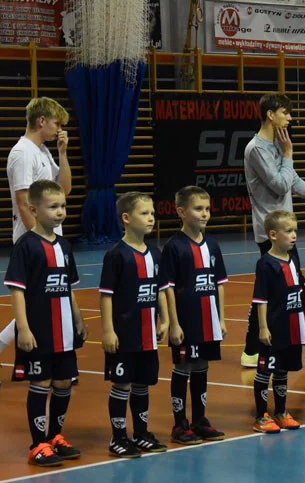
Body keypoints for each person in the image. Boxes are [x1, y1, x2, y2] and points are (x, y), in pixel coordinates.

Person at [4, 180, 86, 467]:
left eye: (63, 206)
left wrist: (78, 318)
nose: (60, 211)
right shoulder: (26, 245)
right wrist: (23, 328)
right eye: (53, 207)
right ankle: (37, 444)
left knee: (63, 382)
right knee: (41, 382)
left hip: (64, 331)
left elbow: (68, 286)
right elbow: (17, 289)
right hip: (39, 330)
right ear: (33, 210)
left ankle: (55, 437)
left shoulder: (64, 245)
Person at [242, 92, 305, 369]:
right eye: (285, 112)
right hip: (271, 233)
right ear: (270, 114)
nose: (290, 117)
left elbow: (292, 179)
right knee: (293, 289)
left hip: (285, 229)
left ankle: (251, 350)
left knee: (282, 290)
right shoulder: (257, 149)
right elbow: (278, 183)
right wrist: (288, 155)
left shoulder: (277, 143)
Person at [2, 97, 74, 372]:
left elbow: (64, 189)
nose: (60, 128)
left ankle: (53, 356)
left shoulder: (43, 151)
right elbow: (23, 201)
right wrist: (39, 240)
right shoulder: (22, 152)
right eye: (57, 123)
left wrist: (63, 153)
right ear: (41, 120)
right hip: (32, 238)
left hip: (48, 238)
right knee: (36, 301)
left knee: (43, 300)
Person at [100, 192, 170, 458]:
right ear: (126, 219)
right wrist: (108, 329)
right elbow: (106, 295)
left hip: (147, 335)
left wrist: (164, 319)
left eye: (152, 212)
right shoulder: (116, 255)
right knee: (122, 385)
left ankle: (141, 432)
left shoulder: (155, 252)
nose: (151, 217)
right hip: (124, 334)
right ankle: (118, 436)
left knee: (142, 384)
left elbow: (160, 290)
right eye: (144, 213)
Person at [161, 186, 227, 445]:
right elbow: (166, 288)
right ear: (181, 212)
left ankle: (200, 420)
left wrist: (220, 318)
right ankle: (180, 425)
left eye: (207, 209)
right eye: (198, 209)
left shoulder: (212, 244)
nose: (205, 214)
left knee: (202, 366)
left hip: (208, 318)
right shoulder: (174, 246)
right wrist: (173, 323)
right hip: (186, 320)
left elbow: (219, 282)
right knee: (184, 366)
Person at [251, 210, 305, 434]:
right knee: (266, 371)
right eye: (288, 231)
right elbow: (260, 298)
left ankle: (281, 411)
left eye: (295, 231)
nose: (294, 235)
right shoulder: (266, 263)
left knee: (282, 370)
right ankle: (261, 415)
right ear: (273, 234)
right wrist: (263, 327)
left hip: (290, 326)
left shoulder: (292, 259)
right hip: (272, 327)